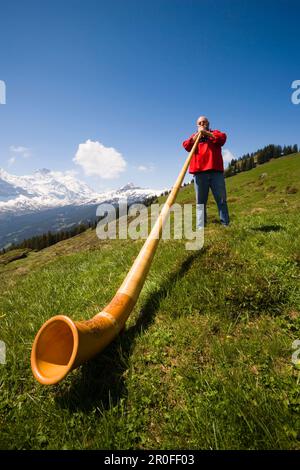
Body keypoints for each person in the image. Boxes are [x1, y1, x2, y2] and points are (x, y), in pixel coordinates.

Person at [182, 116, 230, 228]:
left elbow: (222, 138)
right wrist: (196, 137)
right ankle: (201, 227)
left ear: (208, 123)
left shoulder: (215, 133)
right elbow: (186, 146)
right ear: (197, 125)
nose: (202, 124)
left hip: (215, 172)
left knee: (221, 199)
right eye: (200, 123)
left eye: (204, 122)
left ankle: (225, 224)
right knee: (200, 202)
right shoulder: (194, 137)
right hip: (199, 173)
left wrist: (207, 134)